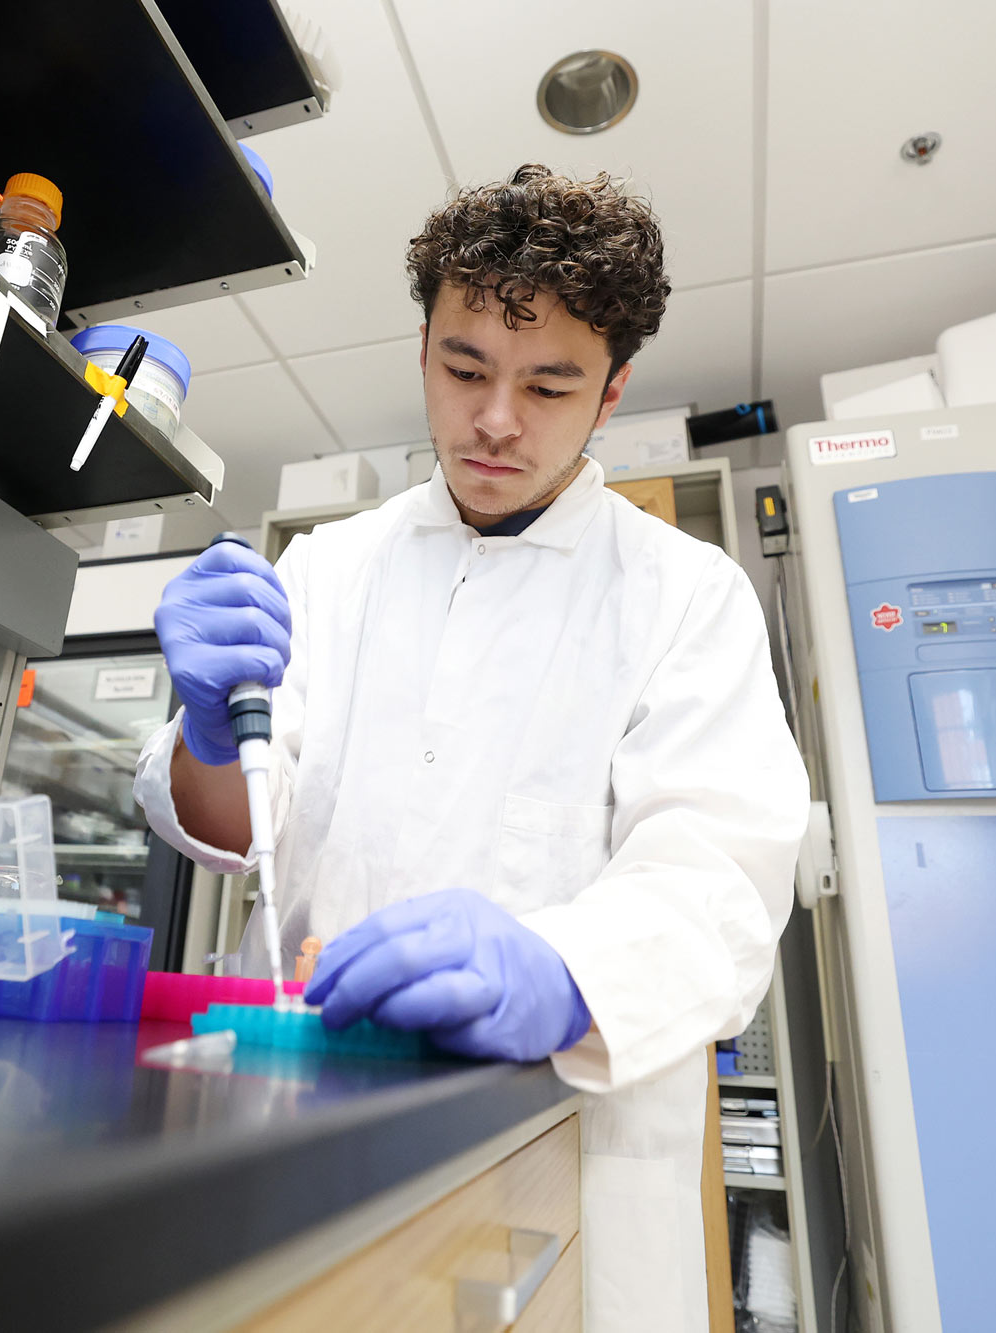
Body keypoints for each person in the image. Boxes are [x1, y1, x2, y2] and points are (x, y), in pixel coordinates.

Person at [135, 164, 809, 1331]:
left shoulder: (683, 595)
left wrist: (560, 975)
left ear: (610, 394)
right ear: (421, 352)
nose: (495, 419)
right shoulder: (330, 570)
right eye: (463, 369)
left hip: (566, 1164)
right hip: (308, 1133)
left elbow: (722, 877)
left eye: (549, 383)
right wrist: (206, 731)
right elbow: (245, 827)